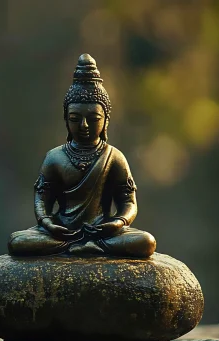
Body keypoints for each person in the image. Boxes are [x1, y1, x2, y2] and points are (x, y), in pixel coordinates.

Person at [8, 54, 156, 258]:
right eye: (75, 119)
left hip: (102, 232)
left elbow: (128, 202)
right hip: (64, 232)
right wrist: (49, 223)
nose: (84, 126)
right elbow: (42, 199)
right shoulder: (55, 157)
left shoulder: (114, 157)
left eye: (93, 119)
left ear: (105, 120)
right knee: (18, 242)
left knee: (146, 242)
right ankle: (80, 247)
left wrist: (117, 222)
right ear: (66, 120)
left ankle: (89, 247)